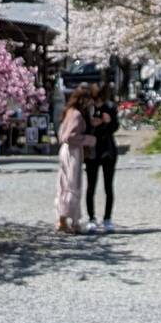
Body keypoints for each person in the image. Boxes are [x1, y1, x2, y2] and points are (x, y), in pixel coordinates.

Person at [55, 89, 94, 234]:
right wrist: (88, 140)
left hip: (65, 151)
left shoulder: (68, 112)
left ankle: (62, 219)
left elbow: (61, 134)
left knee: (63, 184)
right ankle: (74, 221)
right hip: (73, 151)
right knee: (73, 185)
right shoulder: (77, 114)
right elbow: (69, 136)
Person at [85, 83, 119, 233]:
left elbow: (116, 127)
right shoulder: (88, 109)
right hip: (92, 150)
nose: (98, 102)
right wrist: (92, 124)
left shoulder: (110, 108)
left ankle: (107, 218)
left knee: (108, 186)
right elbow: (83, 128)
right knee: (91, 186)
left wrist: (108, 121)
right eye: (95, 98)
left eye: (100, 98)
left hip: (108, 149)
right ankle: (91, 218)